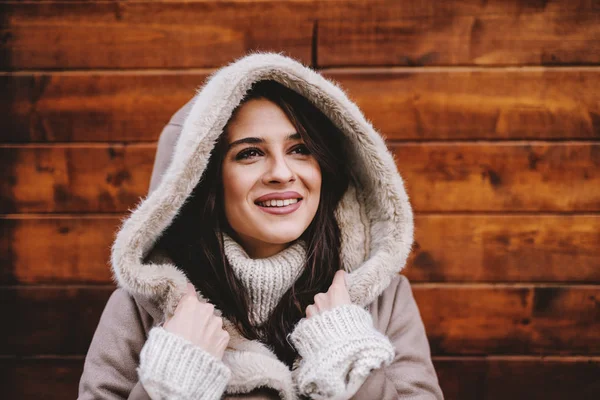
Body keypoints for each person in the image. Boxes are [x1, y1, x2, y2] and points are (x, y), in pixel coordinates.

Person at [78, 52, 444, 400]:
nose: (283, 173)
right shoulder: (143, 307)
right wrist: (173, 380)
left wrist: (349, 363)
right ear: (202, 179)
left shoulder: (384, 297)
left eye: (300, 149)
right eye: (250, 153)